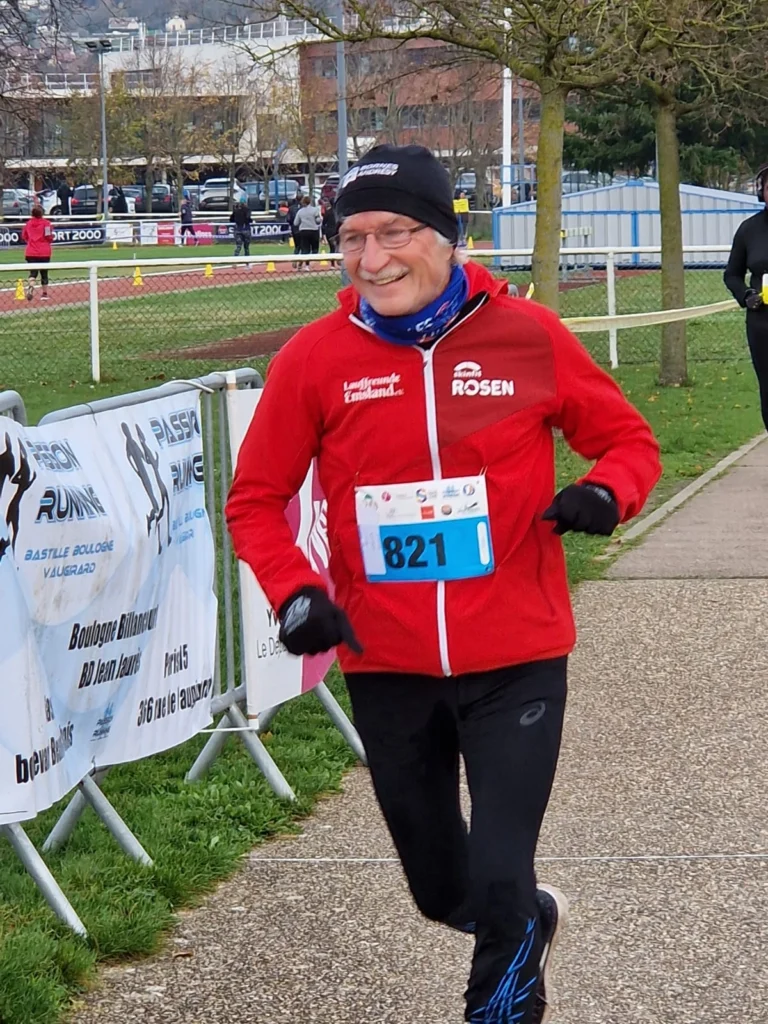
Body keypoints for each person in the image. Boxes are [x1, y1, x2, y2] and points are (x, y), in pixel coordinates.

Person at [225, 144, 661, 1024]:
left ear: (447, 237)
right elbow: (255, 501)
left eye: (395, 232)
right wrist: (294, 590)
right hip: (387, 662)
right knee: (440, 890)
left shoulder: (528, 336)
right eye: (352, 237)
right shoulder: (316, 359)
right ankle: (525, 922)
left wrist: (605, 493)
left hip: (517, 655)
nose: (373, 257)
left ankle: (502, 988)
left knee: (500, 872)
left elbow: (631, 443)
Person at [724, 163, 768, 430]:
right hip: (763, 324)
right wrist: (746, 295)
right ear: (761, 192)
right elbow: (732, 274)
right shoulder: (749, 229)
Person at [22, 206, 54, 301]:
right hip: (44, 252)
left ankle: (31, 287)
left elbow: (24, 236)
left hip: (31, 251)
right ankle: (44, 293)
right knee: (44, 273)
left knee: (33, 272)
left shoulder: (28, 224)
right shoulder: (46, 224)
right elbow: (48, 236)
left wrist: (31, 242)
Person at [294, 194, 322, 269]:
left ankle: (305, 264)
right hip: (314, 230)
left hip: (304, 231)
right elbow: (318, 221)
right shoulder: (315, 210)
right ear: (309, 202)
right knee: (315, 248)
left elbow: (295, 223)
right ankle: (311, 263)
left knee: (305, 249)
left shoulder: (300, 211)